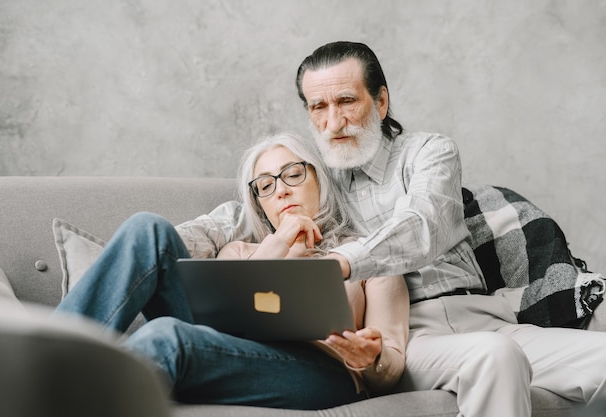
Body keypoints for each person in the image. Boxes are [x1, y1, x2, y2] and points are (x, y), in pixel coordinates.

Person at [292, 41, 606, 417]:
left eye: (346, 101)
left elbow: (424, 223)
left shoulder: (429, 152)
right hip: (409, 337)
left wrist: (344, 260)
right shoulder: (314, 179)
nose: (333, 122)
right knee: (494, 356)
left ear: (380, 102)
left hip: (487, 318)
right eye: (318, 107)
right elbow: (238, 211)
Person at [54, 132, 410, 410]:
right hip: (225, 347)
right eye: (266, 186)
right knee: (147, 228)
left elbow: (391, 365)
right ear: (259, 204)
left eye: (293, 174)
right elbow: (229, 313)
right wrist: (280, 243)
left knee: (165, 336)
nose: (281, 191)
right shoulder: (241, 251)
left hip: (323, 373)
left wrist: (370, 358)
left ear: (319, 179)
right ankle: (44, 362)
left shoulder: (367, 255)